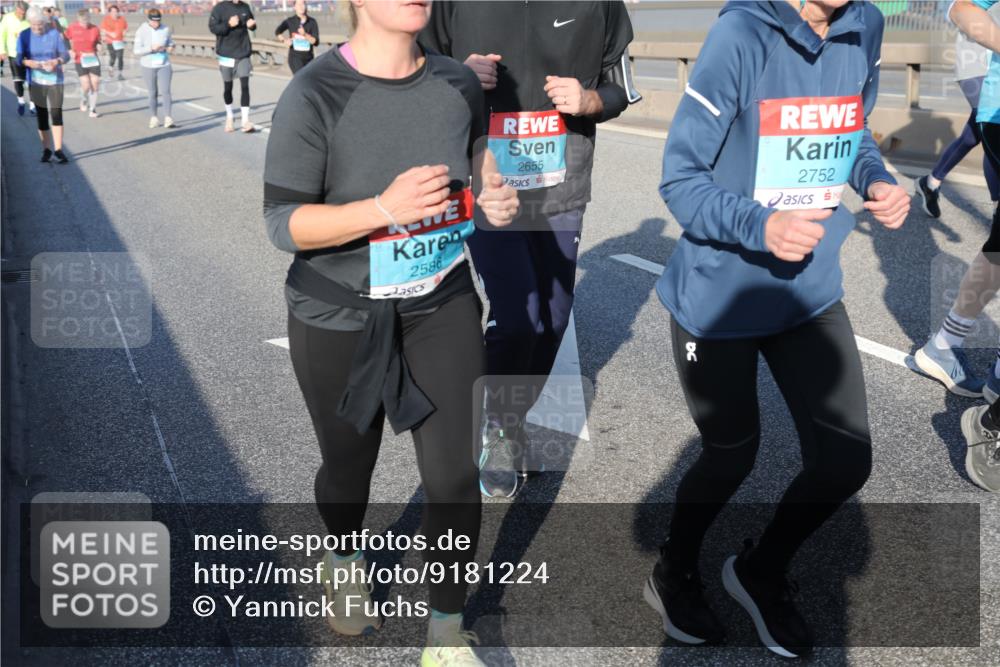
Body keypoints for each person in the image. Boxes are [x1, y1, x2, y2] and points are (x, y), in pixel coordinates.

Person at [645, 0, 908, 656]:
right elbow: (679, 178)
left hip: (808, 291)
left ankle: (759, 572)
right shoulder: (741, 33)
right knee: (733, 454)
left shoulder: (866, 26)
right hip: (722, 296)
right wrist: (760, 226)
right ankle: (673, 568)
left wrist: (875, 178)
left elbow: (851, 132)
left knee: (846, 459)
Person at [263, 1, 518, 663]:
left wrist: (491, 192)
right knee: (350, 467)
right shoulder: (314, 91)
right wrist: (380, 209)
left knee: (456, 474)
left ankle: (446, 630)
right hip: (340, 309)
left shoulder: (458, 83)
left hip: (442, 298)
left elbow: (478, 161)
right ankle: (344, 557)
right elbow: (282, 222)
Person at [421, 0, 640, 498]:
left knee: (554, 319)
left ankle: (509, 417)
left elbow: (621, 86)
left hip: (560, 183)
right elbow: (413, 69)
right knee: (518, 312)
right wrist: (457, 73)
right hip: (487, 180)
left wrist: (589, 100)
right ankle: (497, 427)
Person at [914, 2, 1000, 218]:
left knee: (973, 135)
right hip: (977, 64)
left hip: (994, 66)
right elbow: (956, 9)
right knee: (991, 127)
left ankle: (930, 183)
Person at [18, 5, 70, 163]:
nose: (37, 28)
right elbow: (19, 59)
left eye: (39, 25)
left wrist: (57, 61)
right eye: (33, 25)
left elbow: (65, 55)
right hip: (36, 80)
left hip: (55, 80)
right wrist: (28, 62)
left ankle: (59, 150)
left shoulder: (53, 33)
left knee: (56, 114)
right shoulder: (24, 35)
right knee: (41, 116)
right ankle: (47, 149)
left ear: (44, 22)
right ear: (29, 23)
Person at [208, 0, 255, 133]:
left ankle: (245, 121)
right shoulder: (219, 8)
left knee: (245, 86)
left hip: (243, 53)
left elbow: (251, 23)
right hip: (226, 54)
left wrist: (252, 26)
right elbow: (213, 28)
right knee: (228, 88)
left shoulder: (245, 7)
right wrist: (228, 24)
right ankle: (230, 116)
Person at [133, 8, 174, 129]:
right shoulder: (141, 30)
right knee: (153, 93)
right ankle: (154, 117)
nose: (156, 24)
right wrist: (151, 48)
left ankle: (168, 118)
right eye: (154, 21)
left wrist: (169, 48)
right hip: (148, 65)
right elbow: (136, 50)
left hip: (164, 64)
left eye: (158, 21)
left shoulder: (165, 29)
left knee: (166, 91)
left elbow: (171, 43)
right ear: (149, 20)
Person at [65, 8, 102, 118]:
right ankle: (84, 99)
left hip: (92, 58)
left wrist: (99, 45)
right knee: (86, 85)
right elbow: (65, 39)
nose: (85, 24)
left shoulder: (95, 28)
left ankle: (93, 110)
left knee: (95, 83)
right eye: (82, 21)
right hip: (79, 59)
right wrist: (70, 50)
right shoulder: (72, 27)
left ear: (89, 18)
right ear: (78, 19)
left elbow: (98, 41)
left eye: (86, 21)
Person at [0, 1, 33, 116]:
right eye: (20, 13)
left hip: (29, 53)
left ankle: (33, 105)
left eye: (24, 13)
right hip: (14, 53)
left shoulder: (29, 18)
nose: (22, 15)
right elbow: (2, 34)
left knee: (31, 80)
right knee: (18, 80)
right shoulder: (7, 18)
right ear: (16, 10)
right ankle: (21, 101)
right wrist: (2, 50)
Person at [274, 0, 319, 75]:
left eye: (303, 4)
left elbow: (315, 42)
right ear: (294, 7)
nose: (301, 6)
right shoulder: (290, 21)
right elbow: (278, 31)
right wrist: (284, 41)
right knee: (301, 79)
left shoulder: (312, 22)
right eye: (298, 4)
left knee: (308, 82)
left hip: (309, 58)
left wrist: (305, 35)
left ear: (306, 6)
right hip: (295, 58)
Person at [100, 4, 127, 81]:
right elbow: (103, 29)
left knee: (120, 57)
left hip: (119, 41)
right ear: (110, 12)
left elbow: (125, 27)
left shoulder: (122, 19)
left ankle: (120, 74)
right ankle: (110, 71)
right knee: (113, 58)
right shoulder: (106, 19)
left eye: (116, 11)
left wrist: (125, 32)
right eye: (112, 11)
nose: (114, 13)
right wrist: (110, 33)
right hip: (110, 41)